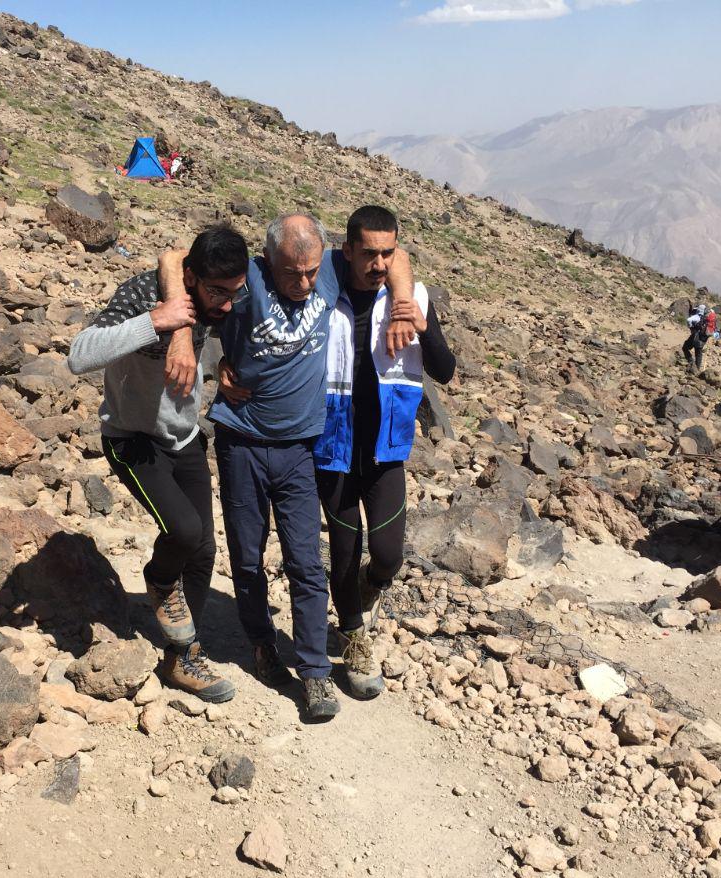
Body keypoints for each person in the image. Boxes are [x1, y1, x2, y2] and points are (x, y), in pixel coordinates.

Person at [161, 214, 417, 721]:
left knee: (305, 561)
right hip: (242, 441)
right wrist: (183, 339)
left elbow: (397, 255)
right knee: (248, 557)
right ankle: (261, 644)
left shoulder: (332, 269)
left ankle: (315, 672)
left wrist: (404, 308)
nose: (303, 283)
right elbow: (173, 259)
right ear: (267, 261)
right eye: (290, 273)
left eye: (310, 272)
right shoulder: (250, 276)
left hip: (300, 448)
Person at [67, 226, 249, 703]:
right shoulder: (142, 294)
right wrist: (157, 321)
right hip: (131, 439)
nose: (228, 303)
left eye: (235, 291)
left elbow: (224, 307)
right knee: (183, 531)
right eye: (218, 292)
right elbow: (79, 355)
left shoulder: (221, 295)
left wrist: (222, 360)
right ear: (190, 277)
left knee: (203, 550)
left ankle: (182, 657)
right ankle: (160, 581)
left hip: (183, 435)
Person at [313, 206, 455, 699]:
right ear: (347, 250)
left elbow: (445, 371)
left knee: (389, 555)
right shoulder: (322, 293)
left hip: (385, 449)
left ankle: (371, 587)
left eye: (387, 254)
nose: (378, 264)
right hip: (333, 446)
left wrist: (421, 324)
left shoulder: (411, 297)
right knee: (344, 550)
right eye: (369, 253)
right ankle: (354, 638)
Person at [681, 304, 710, 370]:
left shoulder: (697, 316)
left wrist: (690, 327)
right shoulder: (706, 318)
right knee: (698, 354)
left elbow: (688, 320)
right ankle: (696, 369)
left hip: (695, 336)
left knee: (685, 348)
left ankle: (691, 361)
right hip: (702, 339)